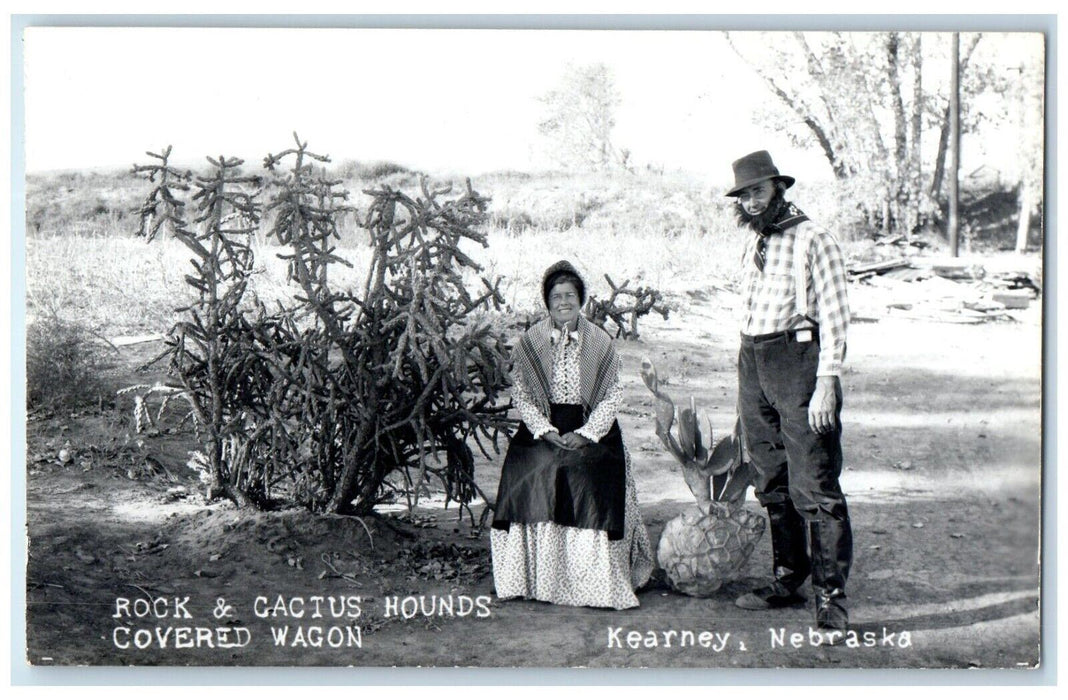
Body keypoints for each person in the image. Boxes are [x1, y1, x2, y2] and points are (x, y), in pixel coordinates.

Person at [726, 150, 853, 637]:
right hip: (753, 360)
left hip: (798, 362)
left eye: (758, 191)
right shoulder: (754, 240)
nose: (751, 202)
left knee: (815, 482)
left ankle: (830, 600)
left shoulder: (813, 238)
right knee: (770, 477)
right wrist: (748, 378)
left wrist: (828, 382)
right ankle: (787, 578)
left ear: (779, 188)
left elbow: (836, 316)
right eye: (744, 195)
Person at [490, 260, 654, 609]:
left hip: (593, 427)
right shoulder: (531, 342)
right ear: (547, 302)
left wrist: (588, 433)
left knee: (587, 472)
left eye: (569, 295)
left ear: (581, 299)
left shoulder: (599, 341)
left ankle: (594, 585)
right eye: (556, 296)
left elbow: (612, 394)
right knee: (534, 470)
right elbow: (522, 394)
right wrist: (544, 430)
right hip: (543, 428)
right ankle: (530, 580)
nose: (563, 302)